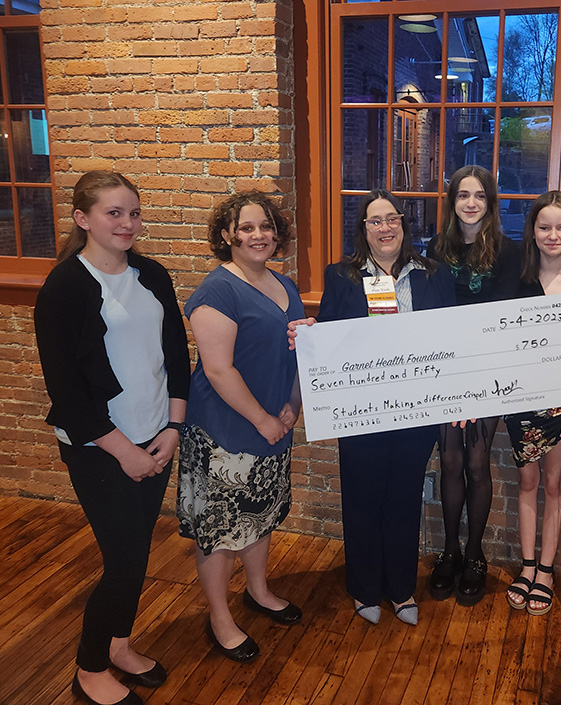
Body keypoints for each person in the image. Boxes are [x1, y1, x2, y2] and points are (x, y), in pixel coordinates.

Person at [34, 171, 190, 705]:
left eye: (134, 213)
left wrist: (172, 427)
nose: (128, 224)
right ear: (83, 219)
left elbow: (175, 353)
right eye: (114, 213)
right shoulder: (64, 287)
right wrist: (124, 452)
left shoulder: (151, 273)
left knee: (136, 552)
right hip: (100, 448)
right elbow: (67, 390)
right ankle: (89, 668)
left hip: (155, 434)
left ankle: (120, 644)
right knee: (123, 559)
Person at [290, 190, 456, 625]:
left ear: (404, 224)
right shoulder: (342, 276)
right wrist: (311, 332)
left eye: (392, 219)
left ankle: (401, 589)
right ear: (363, 229)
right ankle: (364, 588)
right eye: (374, 221)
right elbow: (330, 334)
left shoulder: (433, 275)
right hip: (360, 411)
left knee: (403, 497)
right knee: (362, 498)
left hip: (417, 409)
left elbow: (453, 340)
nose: (385, 228)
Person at [177, 192, 304, 663]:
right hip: (226, 433)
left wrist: (291, 407)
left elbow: (294, 354)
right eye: (247, 228)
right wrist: (264, 419)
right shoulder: (217, 291)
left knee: (260, 515)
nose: (258, 235)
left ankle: (258, 590)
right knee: (220, 529)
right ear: (227, 235)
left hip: (274, 426)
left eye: (266, 226)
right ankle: (219, 615)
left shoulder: (285, 285)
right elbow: (218, 371)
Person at [426, 165, 520, 606]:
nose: (470, 203)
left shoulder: (509, 252)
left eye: (479, 196)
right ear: (452, 202)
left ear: (490, 203)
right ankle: (449, 549)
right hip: (445, 372)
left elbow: (503, 320)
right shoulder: (436, 250)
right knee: (448, 461)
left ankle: (476, 554)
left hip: (487, 372)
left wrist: (475, 383)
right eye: (463, 195)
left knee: (477, 463)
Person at [504, 191, 561, 616]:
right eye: (545, 227)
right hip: (521, 399)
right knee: (527, 483)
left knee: (555, 486)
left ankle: (547, 570)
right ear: (533, 232)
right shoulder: (516, 280)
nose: (553, 235)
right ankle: (526, 566)